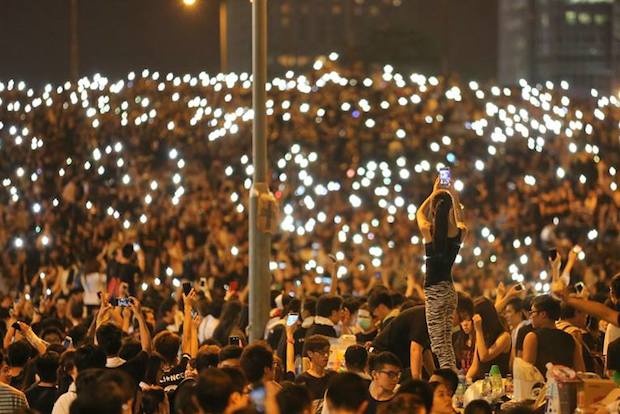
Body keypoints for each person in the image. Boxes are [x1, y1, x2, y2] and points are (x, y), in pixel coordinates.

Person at [416, 178, 467, 371]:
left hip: (435, 294)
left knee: (439, 344)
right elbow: (460, 219)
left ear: (435, 211)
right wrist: (453, 195)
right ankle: (451, 374)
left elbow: (419, 213)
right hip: (449, 291)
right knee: (446, 341)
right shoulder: (459, 234)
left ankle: (449, 382)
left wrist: (433, 193)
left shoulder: (428, 233)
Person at [522, 295, 584, 376]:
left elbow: (526, 373)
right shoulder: (571, 338)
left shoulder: (532, 337)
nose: (531, 316)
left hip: (540, 387)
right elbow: (581, 372)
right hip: (564, 386)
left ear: (543, 314)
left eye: (532, 312)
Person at [372, 305, 433, 379]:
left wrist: (433, 376)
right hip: (383, 357)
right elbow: (415, 350)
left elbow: (425, 351)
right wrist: (417, 382)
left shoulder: (433, 321)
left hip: (398, 362)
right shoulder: (424, 316)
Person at [467, 297, 511, 380]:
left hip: (498, 386)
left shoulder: (504, 336)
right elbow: (475, 366)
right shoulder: (482, 336)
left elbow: (484, 357)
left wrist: (479, 330)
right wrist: (466, 379)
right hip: (483, 385)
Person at [295, 335, 335, 401]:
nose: (326, 355)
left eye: (328, 352)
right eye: (322, 352)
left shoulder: (333, 376)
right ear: (310, 354)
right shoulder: (303, 380)